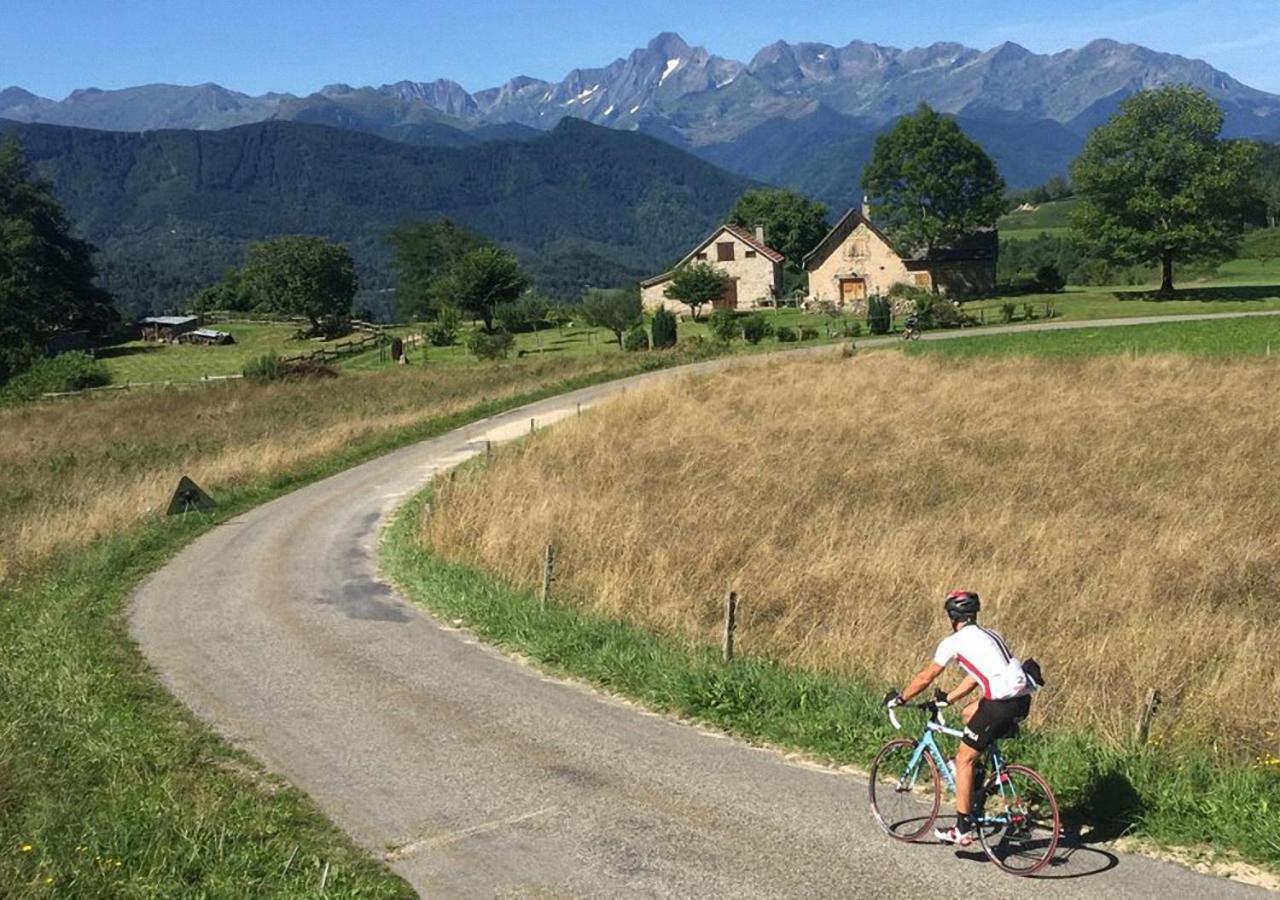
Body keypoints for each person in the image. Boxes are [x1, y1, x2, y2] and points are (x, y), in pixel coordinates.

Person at [885, 590, 1035, 846]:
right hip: (1021, 700)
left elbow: (926, 676)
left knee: (964, 759)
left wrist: (901, 699)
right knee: (968, 713)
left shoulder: (953, 642)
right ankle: (980, 778)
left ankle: (962, 828)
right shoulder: (991, 635)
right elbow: (978, 674)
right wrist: (950, 699)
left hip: (999, 704)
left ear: (952, 617)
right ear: (973, 614)